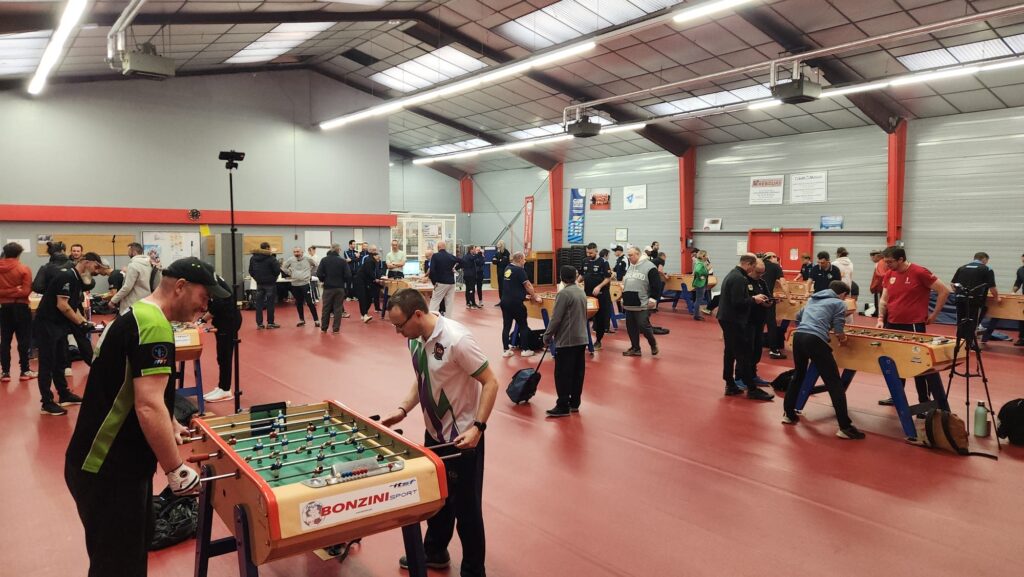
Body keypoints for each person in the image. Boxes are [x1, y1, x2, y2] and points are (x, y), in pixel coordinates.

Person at [65, 257, 224, 577]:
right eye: (204, 296)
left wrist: (171, 422)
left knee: (130, 551)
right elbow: (148, 405)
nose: (205, 306)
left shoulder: (137, 313)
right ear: (181, 287)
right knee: (118, 567)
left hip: (104, 463)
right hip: (110, 468)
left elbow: (131, 387)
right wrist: (175, 470)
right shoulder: (155, 327)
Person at [379, 288, 497, 577]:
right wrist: (403, 409)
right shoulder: (415, 340)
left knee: (467, 512)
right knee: (437, 499)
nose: (397, 332)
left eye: (399, 325)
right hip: (434, 434)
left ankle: (473, 570)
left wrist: (478, 428)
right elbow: (423, 377)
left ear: (418, 315)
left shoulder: (457, 340)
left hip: (463, 440)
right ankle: (434, 552)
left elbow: (491, 382)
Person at [782, 280, 864, 439]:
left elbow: (798, 316)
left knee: (798, 375)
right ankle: (845, 427)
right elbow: (839, 328)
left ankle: (788, 414)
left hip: (799, 336)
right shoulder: (839, 303)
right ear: (843, 294)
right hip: (814, 340)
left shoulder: (813, 299)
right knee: (834, 382)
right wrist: (843, 339)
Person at [876, 246, 951, 406]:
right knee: (895, 360)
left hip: (913, 325)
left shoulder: (919, 272)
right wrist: (881, 318)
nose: (887, 265)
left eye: (890, 262)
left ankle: (923, 400)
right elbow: (884, 299)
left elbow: (944, 291)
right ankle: (896, 396)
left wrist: (934, 315)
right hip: (892, 323)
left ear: (901, 259)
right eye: (885, 261)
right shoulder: (889, 274)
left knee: (918, 362)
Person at [34, 253, 106, 415]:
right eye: (95, 266)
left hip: (59, 325)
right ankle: (46, 402)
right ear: (86, 262)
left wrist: (85, 323)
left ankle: (64, 394)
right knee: (47, 363)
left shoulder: (77, 279)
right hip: (47, 324)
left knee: (61, 360)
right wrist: (80, 323)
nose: (96, 271)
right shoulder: (66, 276)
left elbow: (73, 307)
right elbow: (63, 305)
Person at [717, 254, 774, 401]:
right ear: (748, 264)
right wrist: (754, 300)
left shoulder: (733, 274)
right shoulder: (739, 278)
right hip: (734, 320)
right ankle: (752, 388)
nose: (752, 270)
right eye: (753, 267)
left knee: (730, 352)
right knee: (742, 354)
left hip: (727, 318)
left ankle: (730, 383)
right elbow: (738, 302)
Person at [544, 265, 589, 417]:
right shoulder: (581, 291)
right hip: (581, 338)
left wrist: (547, 336)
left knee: (563, 373)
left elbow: (556, 318)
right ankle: (575, 403)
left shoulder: (563, 294)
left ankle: (563, 405)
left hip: (567, 339)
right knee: (577, 372)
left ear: (561, 278)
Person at [199, 273, 242, 403]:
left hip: (228, 321)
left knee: (225, 356)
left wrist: (201, 320)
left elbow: (218, 304)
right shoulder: (212, 279)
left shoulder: (212, 282)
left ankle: (225, 389)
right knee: (221, 356)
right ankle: (222, 386)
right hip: (223, 320)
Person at [0, 242, 36, 383]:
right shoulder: (24, 269)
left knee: (5, 341)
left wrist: (5, 293)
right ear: (19, 254)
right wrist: (16, 290)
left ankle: (5, 372)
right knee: (23, 340)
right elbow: (26, 292)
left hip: (4, 308)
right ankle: (24, 371)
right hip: (21, 308)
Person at [500, 252, 542, 358]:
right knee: (523, 325)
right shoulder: (519, 270)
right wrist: (535, 296)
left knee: (506, 326)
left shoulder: (507, 268)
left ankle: (506, 350)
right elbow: (527, 285)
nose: (525, 261)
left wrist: (523, 296)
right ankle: (525, 349)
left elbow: (512, 286)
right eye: (524, 259)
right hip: (516, 303)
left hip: (505, 302)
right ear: (519, 259)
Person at [621, 247, 660, 357]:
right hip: (629, 303)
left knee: (643, 325)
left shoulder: (649, 267)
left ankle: (653, 344)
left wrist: (653, 298)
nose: (629, 257)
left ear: (638, 254)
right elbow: (627, 283)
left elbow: (656, 284)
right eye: (628, 255)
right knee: (631, 327)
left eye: (631, 255)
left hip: (642, 303)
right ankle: (635, 348)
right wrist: (623, 297)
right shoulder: (630, 267)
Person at [952, 252, 999, 343]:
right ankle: (969, 344)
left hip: (960, 299)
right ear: (984, 259)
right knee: (972, 322)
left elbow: (953, 284)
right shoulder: (987, 269)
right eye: (987, 260)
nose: (987, 262)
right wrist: (997, 298)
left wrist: (959, 292)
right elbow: (992, 287)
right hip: (975, 300)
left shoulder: (962, 268)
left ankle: (959, 343)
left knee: (960, 322)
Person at [578, 242, 612, 350]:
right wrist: (576, 283)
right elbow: (582, 275)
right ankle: (583, 340)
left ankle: (598, 341)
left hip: (601, 295)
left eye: (591, 253)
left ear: (596, 251)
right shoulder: (585, 261)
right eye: (587, 252)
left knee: (600, 318)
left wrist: (599, 287)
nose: (589, 255)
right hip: (587, 295)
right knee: (584, 317)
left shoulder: (603, 262)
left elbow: (608, 278)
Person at [107, 242, 155, 315]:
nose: (128, 253)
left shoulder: (133, 265)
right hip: (145, 301)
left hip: (133, 304)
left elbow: (127, 287)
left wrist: (113, 300)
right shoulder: (148, 264)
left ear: (134, 252)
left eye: (129, 251)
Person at [281, 246, 320, 328]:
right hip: (295, 284)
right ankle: (302, 320)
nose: (296, 253)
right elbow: (283, 267)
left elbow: (316, 265)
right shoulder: (291, 259)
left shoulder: (308, 259)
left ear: (302, 252)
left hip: (305, 284)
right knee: (299, 302)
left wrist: (310, 272)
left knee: (310, 303)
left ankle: (316, 320)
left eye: (298, 251)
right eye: (294, 252)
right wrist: (290, 273)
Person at [248, 242, 281, 329]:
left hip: (259, 284)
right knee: (270, 304)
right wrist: (273, 278)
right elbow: (277, 271)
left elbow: (250, 271)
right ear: (267, 248)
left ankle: (259, 324)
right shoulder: (271, 258)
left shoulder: (253, 258)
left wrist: (257, 278)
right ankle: (270, 323)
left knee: (259, 304)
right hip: (270, 284)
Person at [761, 252, 786, 359]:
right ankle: (774, 350)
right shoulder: (775, 267)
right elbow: (783, 283)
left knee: (757, 323)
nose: (777, 260)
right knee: (771, 325)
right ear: (771, 257)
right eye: (776, 257)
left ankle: (752, 346)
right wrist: (789, 298)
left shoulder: (758, 265)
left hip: (756, 299)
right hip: (767, 300)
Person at [428, 241, 460, 315]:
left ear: (438, 247)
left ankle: (432, 319)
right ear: (445, 247)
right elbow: (462, 262)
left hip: (441, 282)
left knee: (435, 301)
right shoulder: (451, 256)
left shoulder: (435, 256)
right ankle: (448, 320)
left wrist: (434, 282)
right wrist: (455, 269)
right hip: (451, 283)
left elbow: (432, 271)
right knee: (449, 303)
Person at [355, 248, 383, 323]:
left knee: (369, 298)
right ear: (375, 256)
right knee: (363, 298)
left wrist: (377, 279)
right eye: (378, 257)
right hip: (360, 281)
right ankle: (364, 315)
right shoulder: (370, 261)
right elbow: (369, 272)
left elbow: (373, 272)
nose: (379, 259)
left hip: (366, 281)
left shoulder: (373, 261)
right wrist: (375, 279)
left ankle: (364, 314)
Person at [691, 250, 710, 321]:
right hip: (700, 283)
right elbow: (697, 271)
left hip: (701, 283)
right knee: (698, 300)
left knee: (698, 299)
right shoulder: (700, 263)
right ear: (703, 256)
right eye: (706, 255)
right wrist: (701, 277)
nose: (707, 256)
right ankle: (696, 316)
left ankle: (696, 315)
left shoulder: (701, 262)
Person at [866, 249, 885, 317]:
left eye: (872, 257)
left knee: (881, 303)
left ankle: (880, 316)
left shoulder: (880, 263)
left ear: (876, 256)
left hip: (881, 288)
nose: (871, 259)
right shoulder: (883, 262)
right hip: (883, 287)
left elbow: (880, 276)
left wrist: (874, 287)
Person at [1013, 252, 1024, 347]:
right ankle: (1022, 338)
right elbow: (1018, 283)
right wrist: (1013, 292)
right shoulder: (1020, 270)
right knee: (1021, 317)